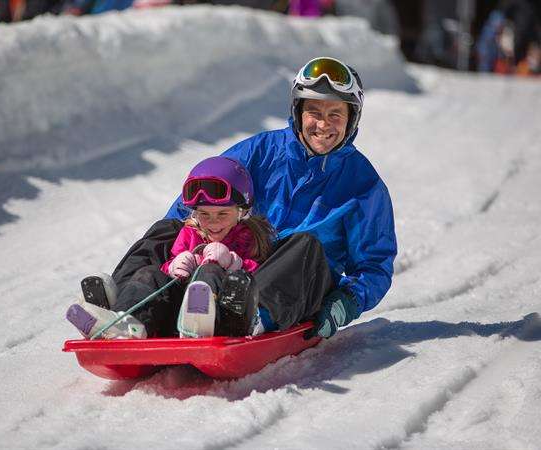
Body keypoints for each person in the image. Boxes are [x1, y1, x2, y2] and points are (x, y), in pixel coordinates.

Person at [70, 56, 396, 341]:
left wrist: (347, 303)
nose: (323, 125)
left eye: (335, 114)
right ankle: (127, 306)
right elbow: (203, 193)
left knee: (306, 245)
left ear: (352, 119)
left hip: (296, 281)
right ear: (297, 112)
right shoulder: (260, 152)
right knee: (168, 227)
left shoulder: (363, 184)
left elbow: (374, 264)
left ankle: (248, 318)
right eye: (314, 111)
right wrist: (188, 240)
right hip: (233, 260)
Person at [66, 156, 275, 339]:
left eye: (222, 214)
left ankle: (199, 323)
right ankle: (124, 322)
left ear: (242, 212)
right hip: (176, 313)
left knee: (210, 270)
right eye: (204, 214)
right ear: (194, 213)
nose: (213, 222)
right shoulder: (189, 233)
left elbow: (259, 276)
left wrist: (231, 262)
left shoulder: (249, 237)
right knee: (150, 274)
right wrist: (173, 266)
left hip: (220, 315)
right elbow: (169, 272)